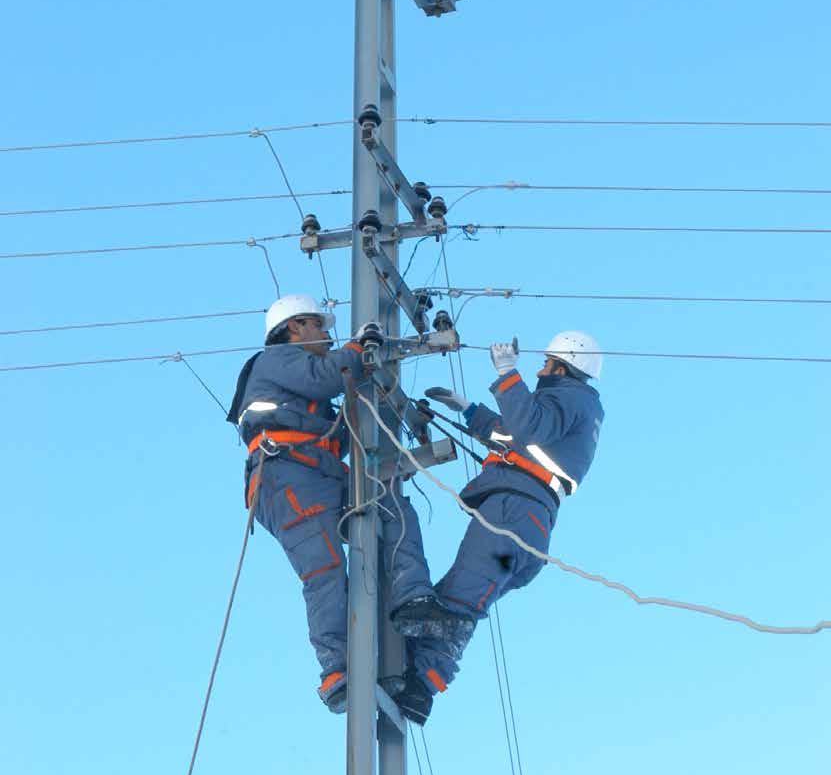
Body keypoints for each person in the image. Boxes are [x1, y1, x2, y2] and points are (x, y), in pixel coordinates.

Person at [226, 294, 470, 714]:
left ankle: (412, 596)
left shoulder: (305, 388)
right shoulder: (275, 360)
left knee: (388, 497)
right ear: (295, 327)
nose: (325, 333)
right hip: (286, 479)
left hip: (319, 474)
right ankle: (336, 670)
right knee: (324, 571)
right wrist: (357, 351)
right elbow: (328, 374)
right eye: (318, 326)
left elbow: (339, 431)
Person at [393, 331, 605, 724]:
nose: (540, 368)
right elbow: (512, 435)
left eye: (546, 362)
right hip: (528, 521)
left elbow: (528, 429)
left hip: (515, 513)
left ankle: (422, 684)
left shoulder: (569, 399)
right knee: (455, 598)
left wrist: (507, 373)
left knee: (459, 600)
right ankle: (410, 667)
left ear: (564, 364)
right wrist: (468, 410)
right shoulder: (570, 409)